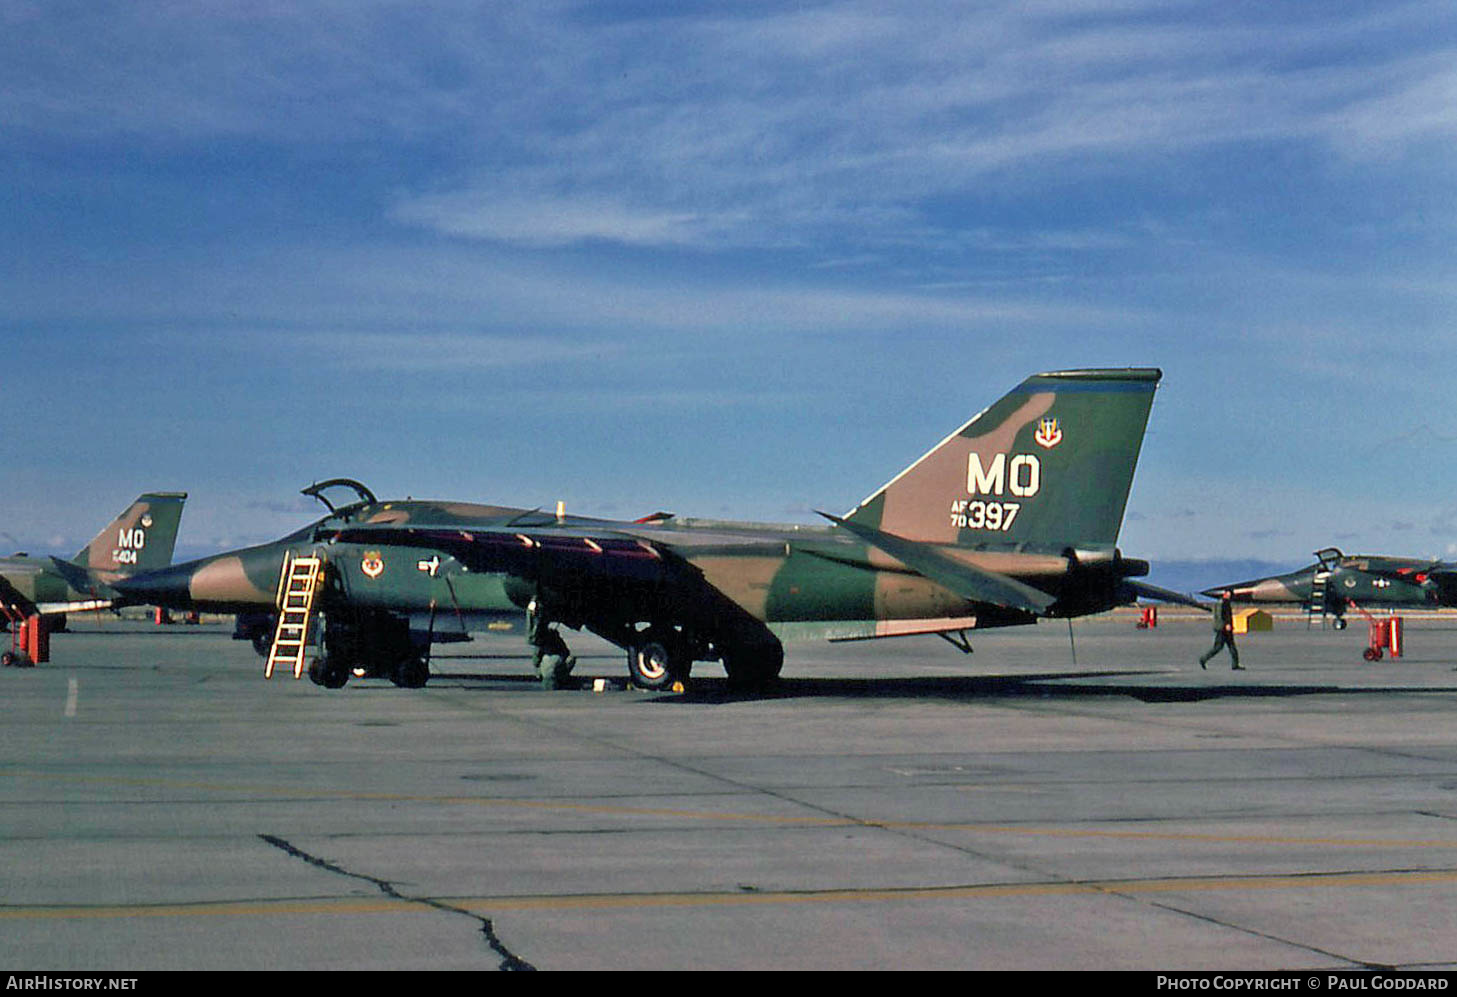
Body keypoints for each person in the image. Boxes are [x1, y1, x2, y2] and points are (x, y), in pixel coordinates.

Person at [1199, 590, 1243, 670]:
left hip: (1221, 628)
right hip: (1224, 629)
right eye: (1228, 594)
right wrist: (1227, 625)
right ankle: (1203, 659)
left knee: (1231, 647)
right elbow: (1225, 615)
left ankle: (1235, 664)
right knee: (1219, 647)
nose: (1229, 596)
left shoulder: (1219, 603)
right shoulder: (1225, 603)